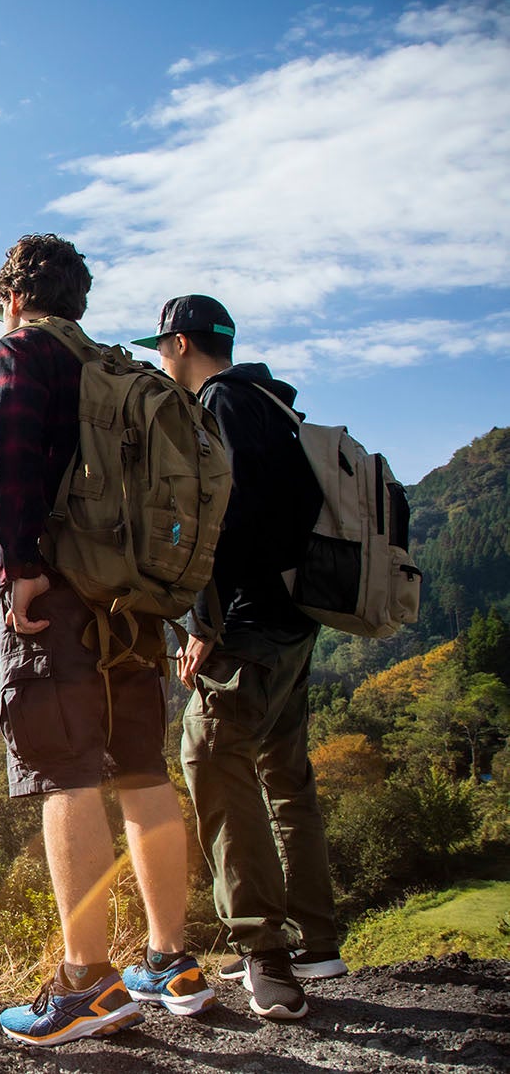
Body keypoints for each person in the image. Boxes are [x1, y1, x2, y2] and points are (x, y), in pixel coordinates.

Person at [0, 235, 214, 1047]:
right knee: (142, 767)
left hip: (59, 593)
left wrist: (20, 567)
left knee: (64, 773)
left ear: (14, 297)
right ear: (76, 300)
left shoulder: (18, 353)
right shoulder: (120, 369)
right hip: (135, 598)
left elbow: (13, 465)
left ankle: (85, 981)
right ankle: (170, 960)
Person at [133, 294, 347, 1022]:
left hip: (247, 626)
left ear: (181, 343)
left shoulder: (218, 404)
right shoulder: (271, 401)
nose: (163, 362)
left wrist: (204, 621)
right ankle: (317, 941)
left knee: (210, 758)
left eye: (163, 348)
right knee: (286, 777)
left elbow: (223, 517)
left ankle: (264, 955)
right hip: (295, 620)